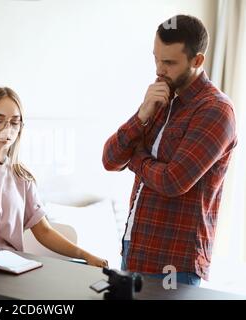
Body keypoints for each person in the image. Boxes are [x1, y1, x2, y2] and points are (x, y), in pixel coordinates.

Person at [102, 15, 237, 285]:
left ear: (197, 61)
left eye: (169, 62)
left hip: (175, 263)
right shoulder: (160, 98)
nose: (158, 69)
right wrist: (141, 115)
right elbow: (110, 159)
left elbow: (173, 180)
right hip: (134, 250)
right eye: (156, 59)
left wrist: (137, 159)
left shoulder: (216, 110)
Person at [0, 86, 108, 268]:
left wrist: (86, 255)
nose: (6, 129)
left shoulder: (22, 177)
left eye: (14, 122)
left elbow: (44, 231)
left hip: (8, 269)